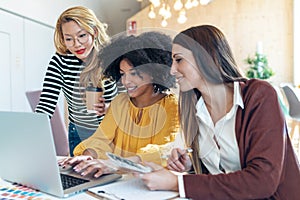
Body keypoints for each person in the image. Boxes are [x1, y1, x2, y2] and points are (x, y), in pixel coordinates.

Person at [137, 25, 300, 199]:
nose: (172, 70)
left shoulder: (259, 95)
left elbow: (263, 181)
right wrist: (192, 164)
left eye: (179, 60)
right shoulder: (194, 108)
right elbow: (221, 172)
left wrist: (178, 183)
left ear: (206, 58)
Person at [59, 31, 180, 178]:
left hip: (148, 185)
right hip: (115, 180)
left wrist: (119, 164)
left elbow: (164, 150)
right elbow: (101, 139)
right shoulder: (120, 102)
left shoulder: (172, 106)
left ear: (154, 72)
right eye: (122, 74)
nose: (125, 81)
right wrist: (87, 156)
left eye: (134, 73)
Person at [35, 6, 119, 156]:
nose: (77, 44)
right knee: (80, 177)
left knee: (111, 176)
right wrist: (31, 131)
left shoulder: (111, 57)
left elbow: (128, 100)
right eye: (69, 39)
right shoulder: (60, 61)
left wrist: (108, 107)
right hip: (79, 133)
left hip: (111, 132)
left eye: (82, 36)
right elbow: (46, 105)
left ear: (94, 32)